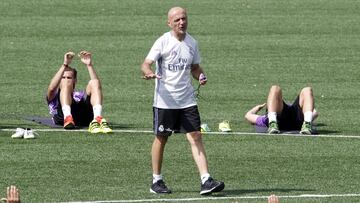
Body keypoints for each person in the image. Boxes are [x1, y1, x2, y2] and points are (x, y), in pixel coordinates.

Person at [141, 7, 224, 195]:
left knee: (195, 135)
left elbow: (194, 67)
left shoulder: (192, 43)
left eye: (184, 18)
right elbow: (146, 64)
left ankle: (206, 180)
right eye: (177, 19)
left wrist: (200, 75)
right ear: (169, 23)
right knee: (161, 138)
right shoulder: (162, 42)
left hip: (187, 100)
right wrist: (149, 73)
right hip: (165, 101)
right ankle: (156, 180)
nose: (181, 22)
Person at [46, 51, 112, 133]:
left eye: (69, 78)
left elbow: (97, 88)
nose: (66, 80)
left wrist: (89, 65)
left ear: (75, 80)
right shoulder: (55, 95)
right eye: (63, 78)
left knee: (95, 82)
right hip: (62, 117)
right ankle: (68, 117)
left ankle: (97, 118)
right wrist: (64, 65)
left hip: (85, 117)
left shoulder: (78, 95)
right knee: (66, 87)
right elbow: (51, 89)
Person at [245, 85, 318, 134]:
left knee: (275, 88)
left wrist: (256, 108)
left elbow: (248, 116)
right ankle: (307, 124)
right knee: (307, 90)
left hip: (279, 121)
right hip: (298, 122)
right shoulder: (266, 118)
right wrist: (308, 111)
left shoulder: (265, 119)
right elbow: (315, 113)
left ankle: (272, 124)